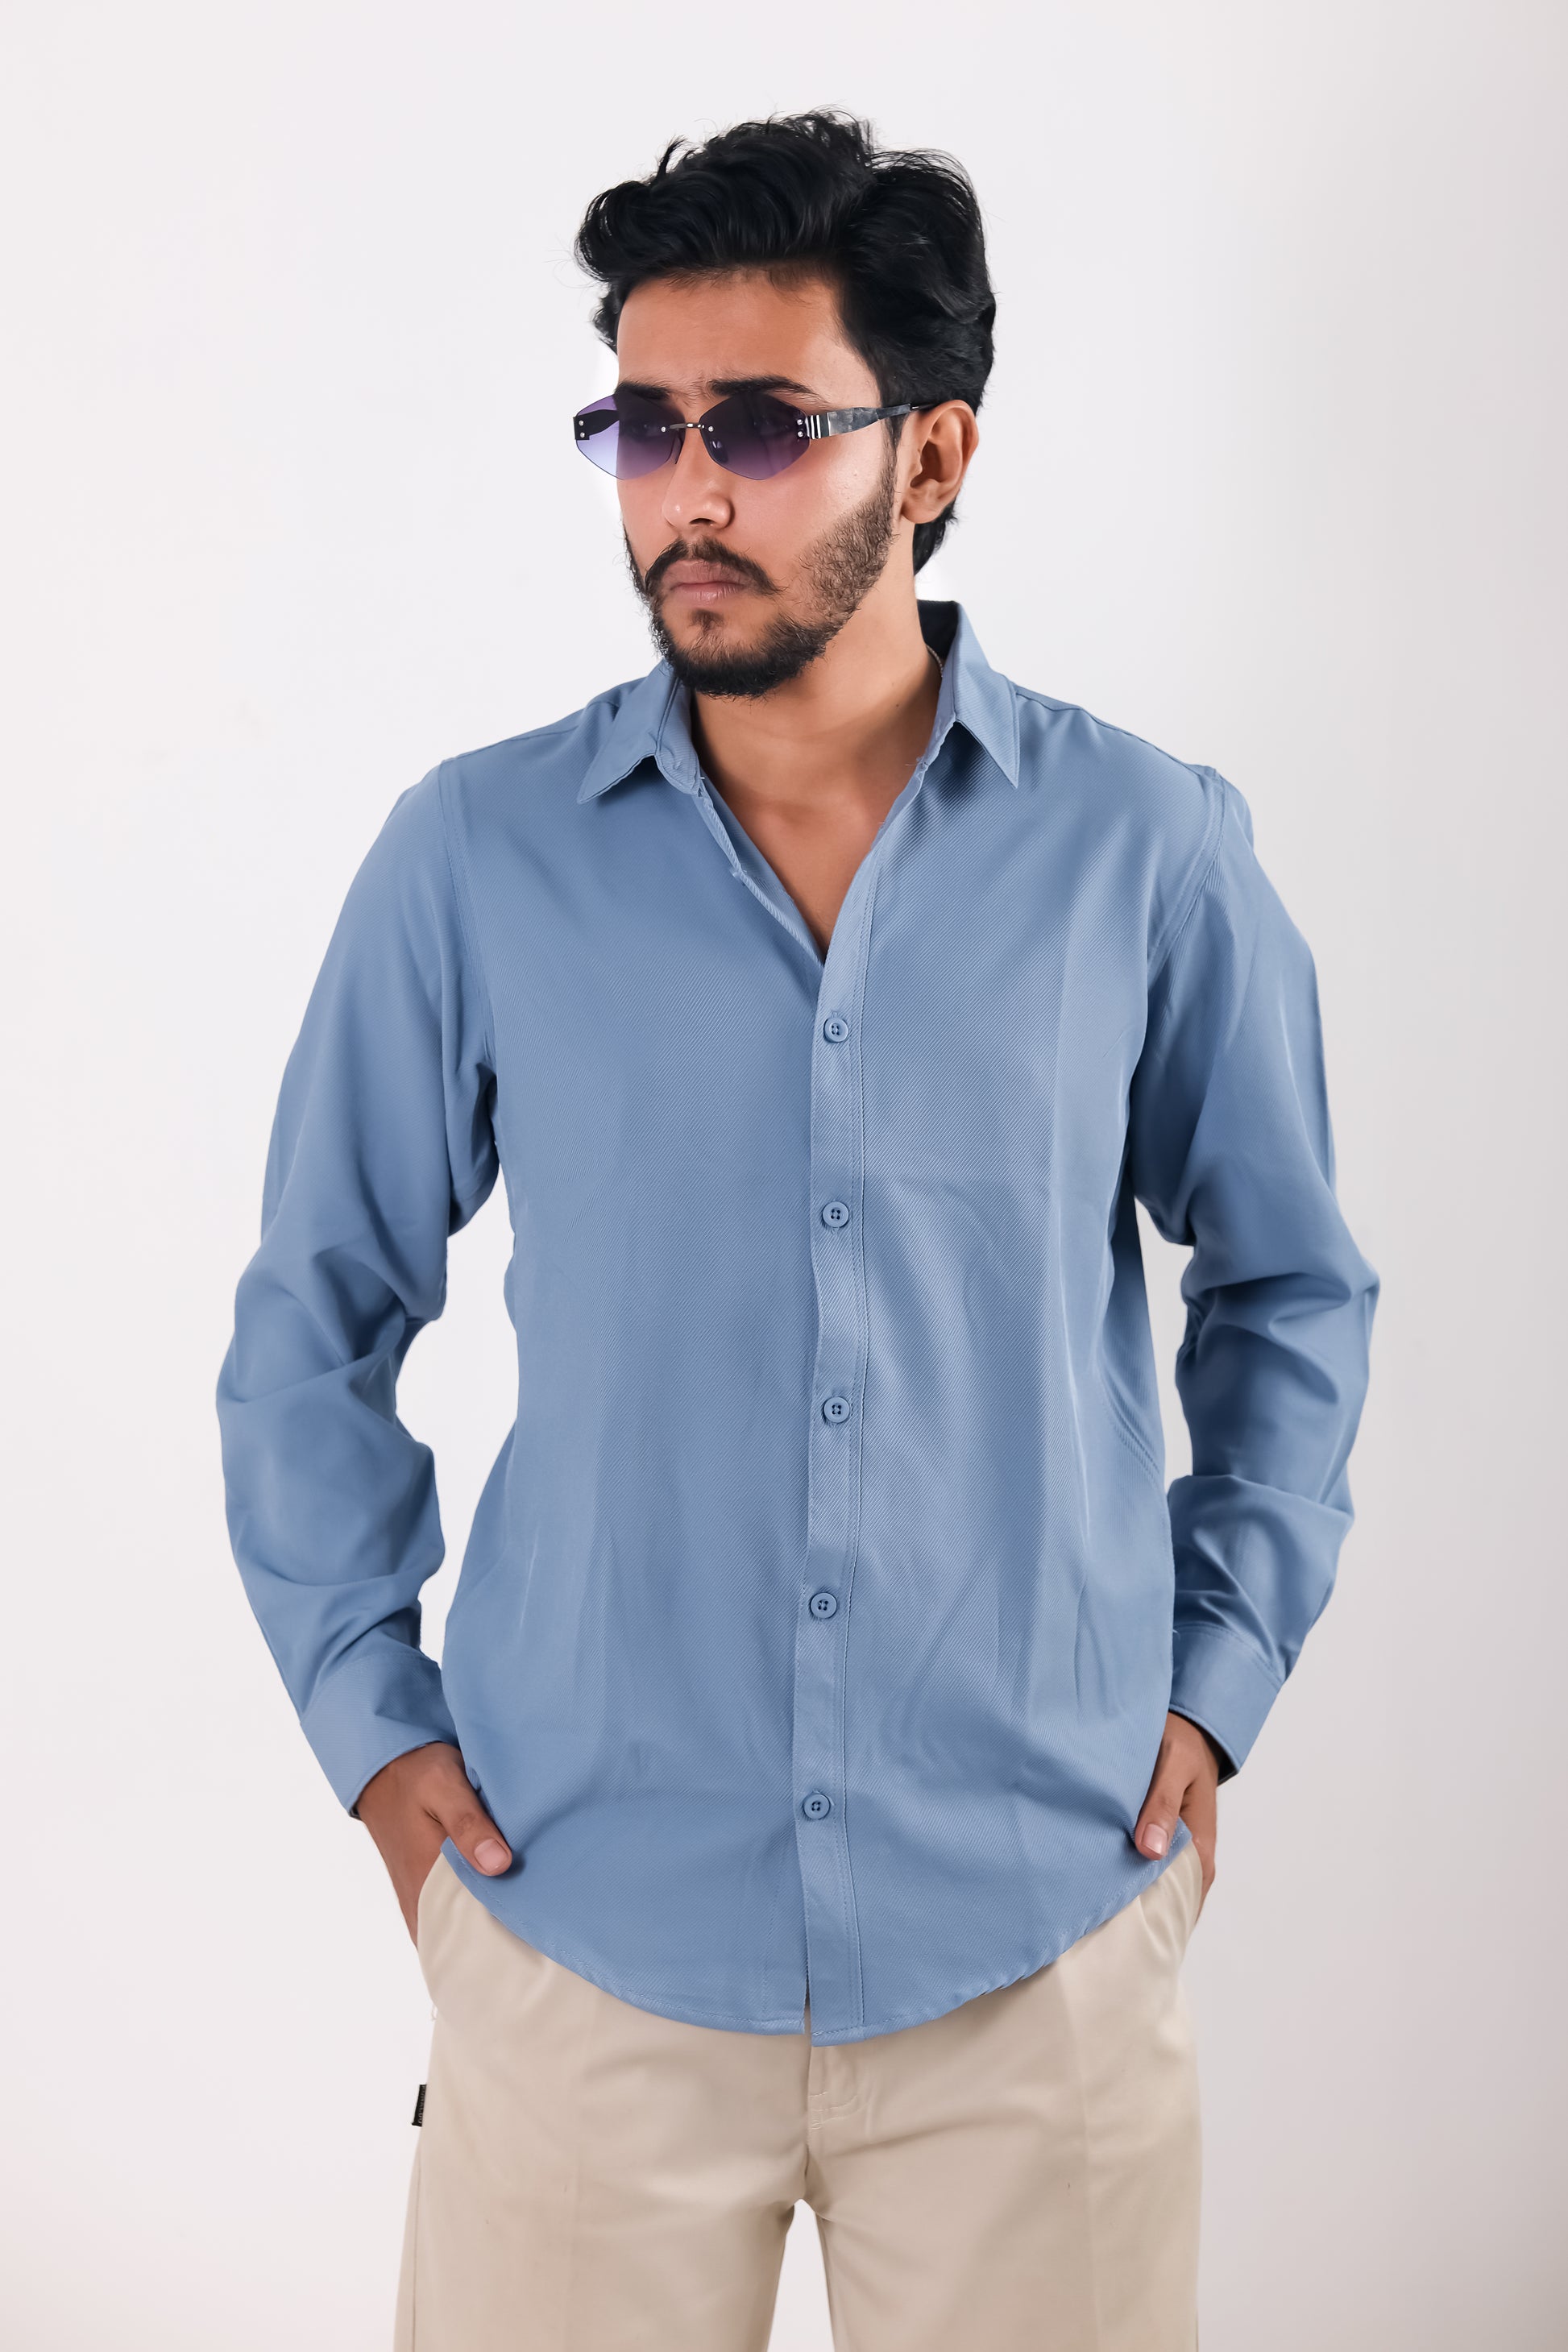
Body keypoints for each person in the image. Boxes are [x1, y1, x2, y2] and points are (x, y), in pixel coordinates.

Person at [216, 109, 1379, 2352]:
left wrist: (1218, 1682)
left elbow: (1291, 1285)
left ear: (931, 456)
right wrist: (374, 1735)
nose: (689, 492)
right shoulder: (474, 860)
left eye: (759, 425)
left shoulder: (1148, 855)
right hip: (584, 1939)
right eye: (641, 428)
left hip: (1037, 1946)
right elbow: (311, 1320)